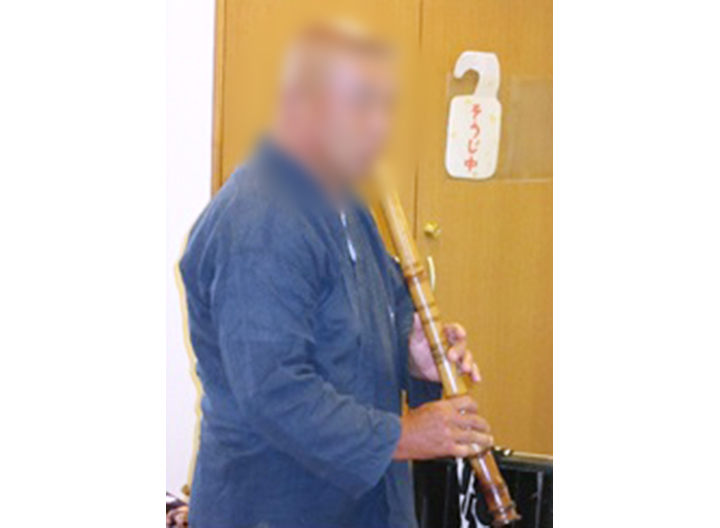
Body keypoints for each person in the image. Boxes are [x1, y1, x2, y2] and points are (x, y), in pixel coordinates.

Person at [179, 21, 493, 528]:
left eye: (385, 106)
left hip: (356, 503)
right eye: (363, 103)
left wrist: (414, 355)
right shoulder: (259, 217)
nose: (380, 126)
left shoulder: (344, 200)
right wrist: (406, 435)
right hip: (277, 506)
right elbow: (273, 389)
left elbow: (370, 320)